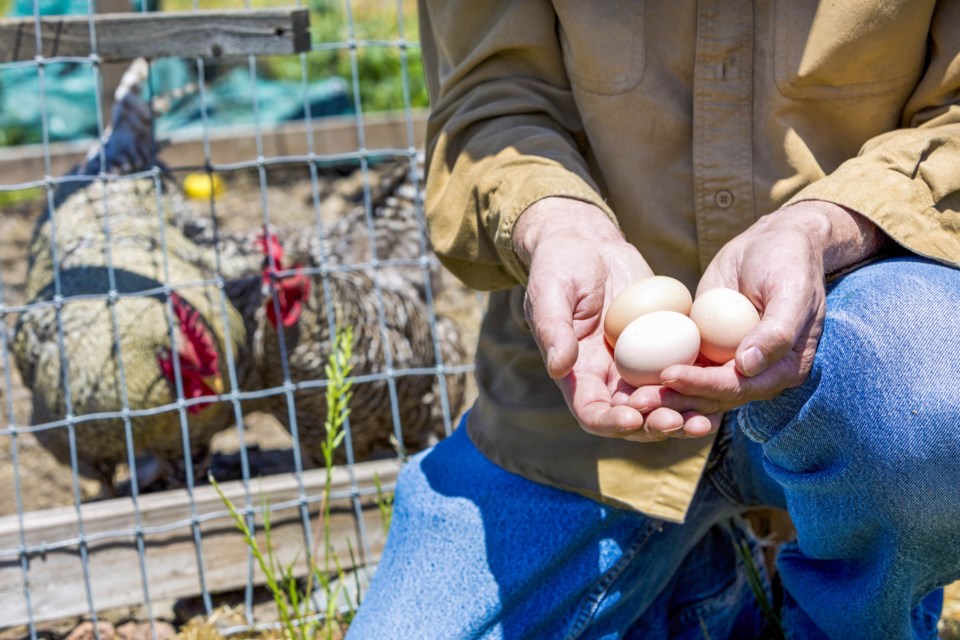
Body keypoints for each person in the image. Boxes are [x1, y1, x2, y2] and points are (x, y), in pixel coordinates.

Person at [347, 2, 960, 638]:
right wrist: (555, 220)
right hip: (581, 409)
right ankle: (717, 582)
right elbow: (489, 101)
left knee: (929, 409)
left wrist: (823, 224)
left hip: (847, 362)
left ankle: (832, 603)